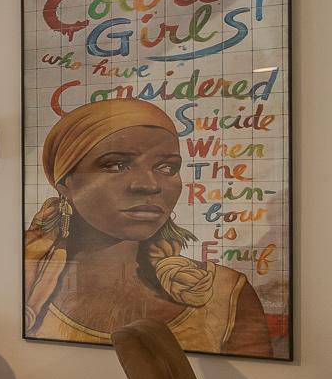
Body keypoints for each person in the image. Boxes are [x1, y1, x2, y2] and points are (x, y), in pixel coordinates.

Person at [24, 98, 272, 356]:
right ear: (65, 182)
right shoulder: (24, 281)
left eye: (167, 167)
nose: (149, 185)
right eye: (117, 165)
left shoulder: (224, 292)